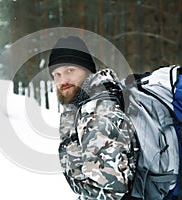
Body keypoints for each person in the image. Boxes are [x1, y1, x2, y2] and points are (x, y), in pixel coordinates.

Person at [48, 36, 138, 200]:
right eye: (57, 74)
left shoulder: (97, 112)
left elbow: (109, 190)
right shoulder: (84, 107)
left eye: (70, 70)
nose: (63, 81)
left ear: (87, 70)